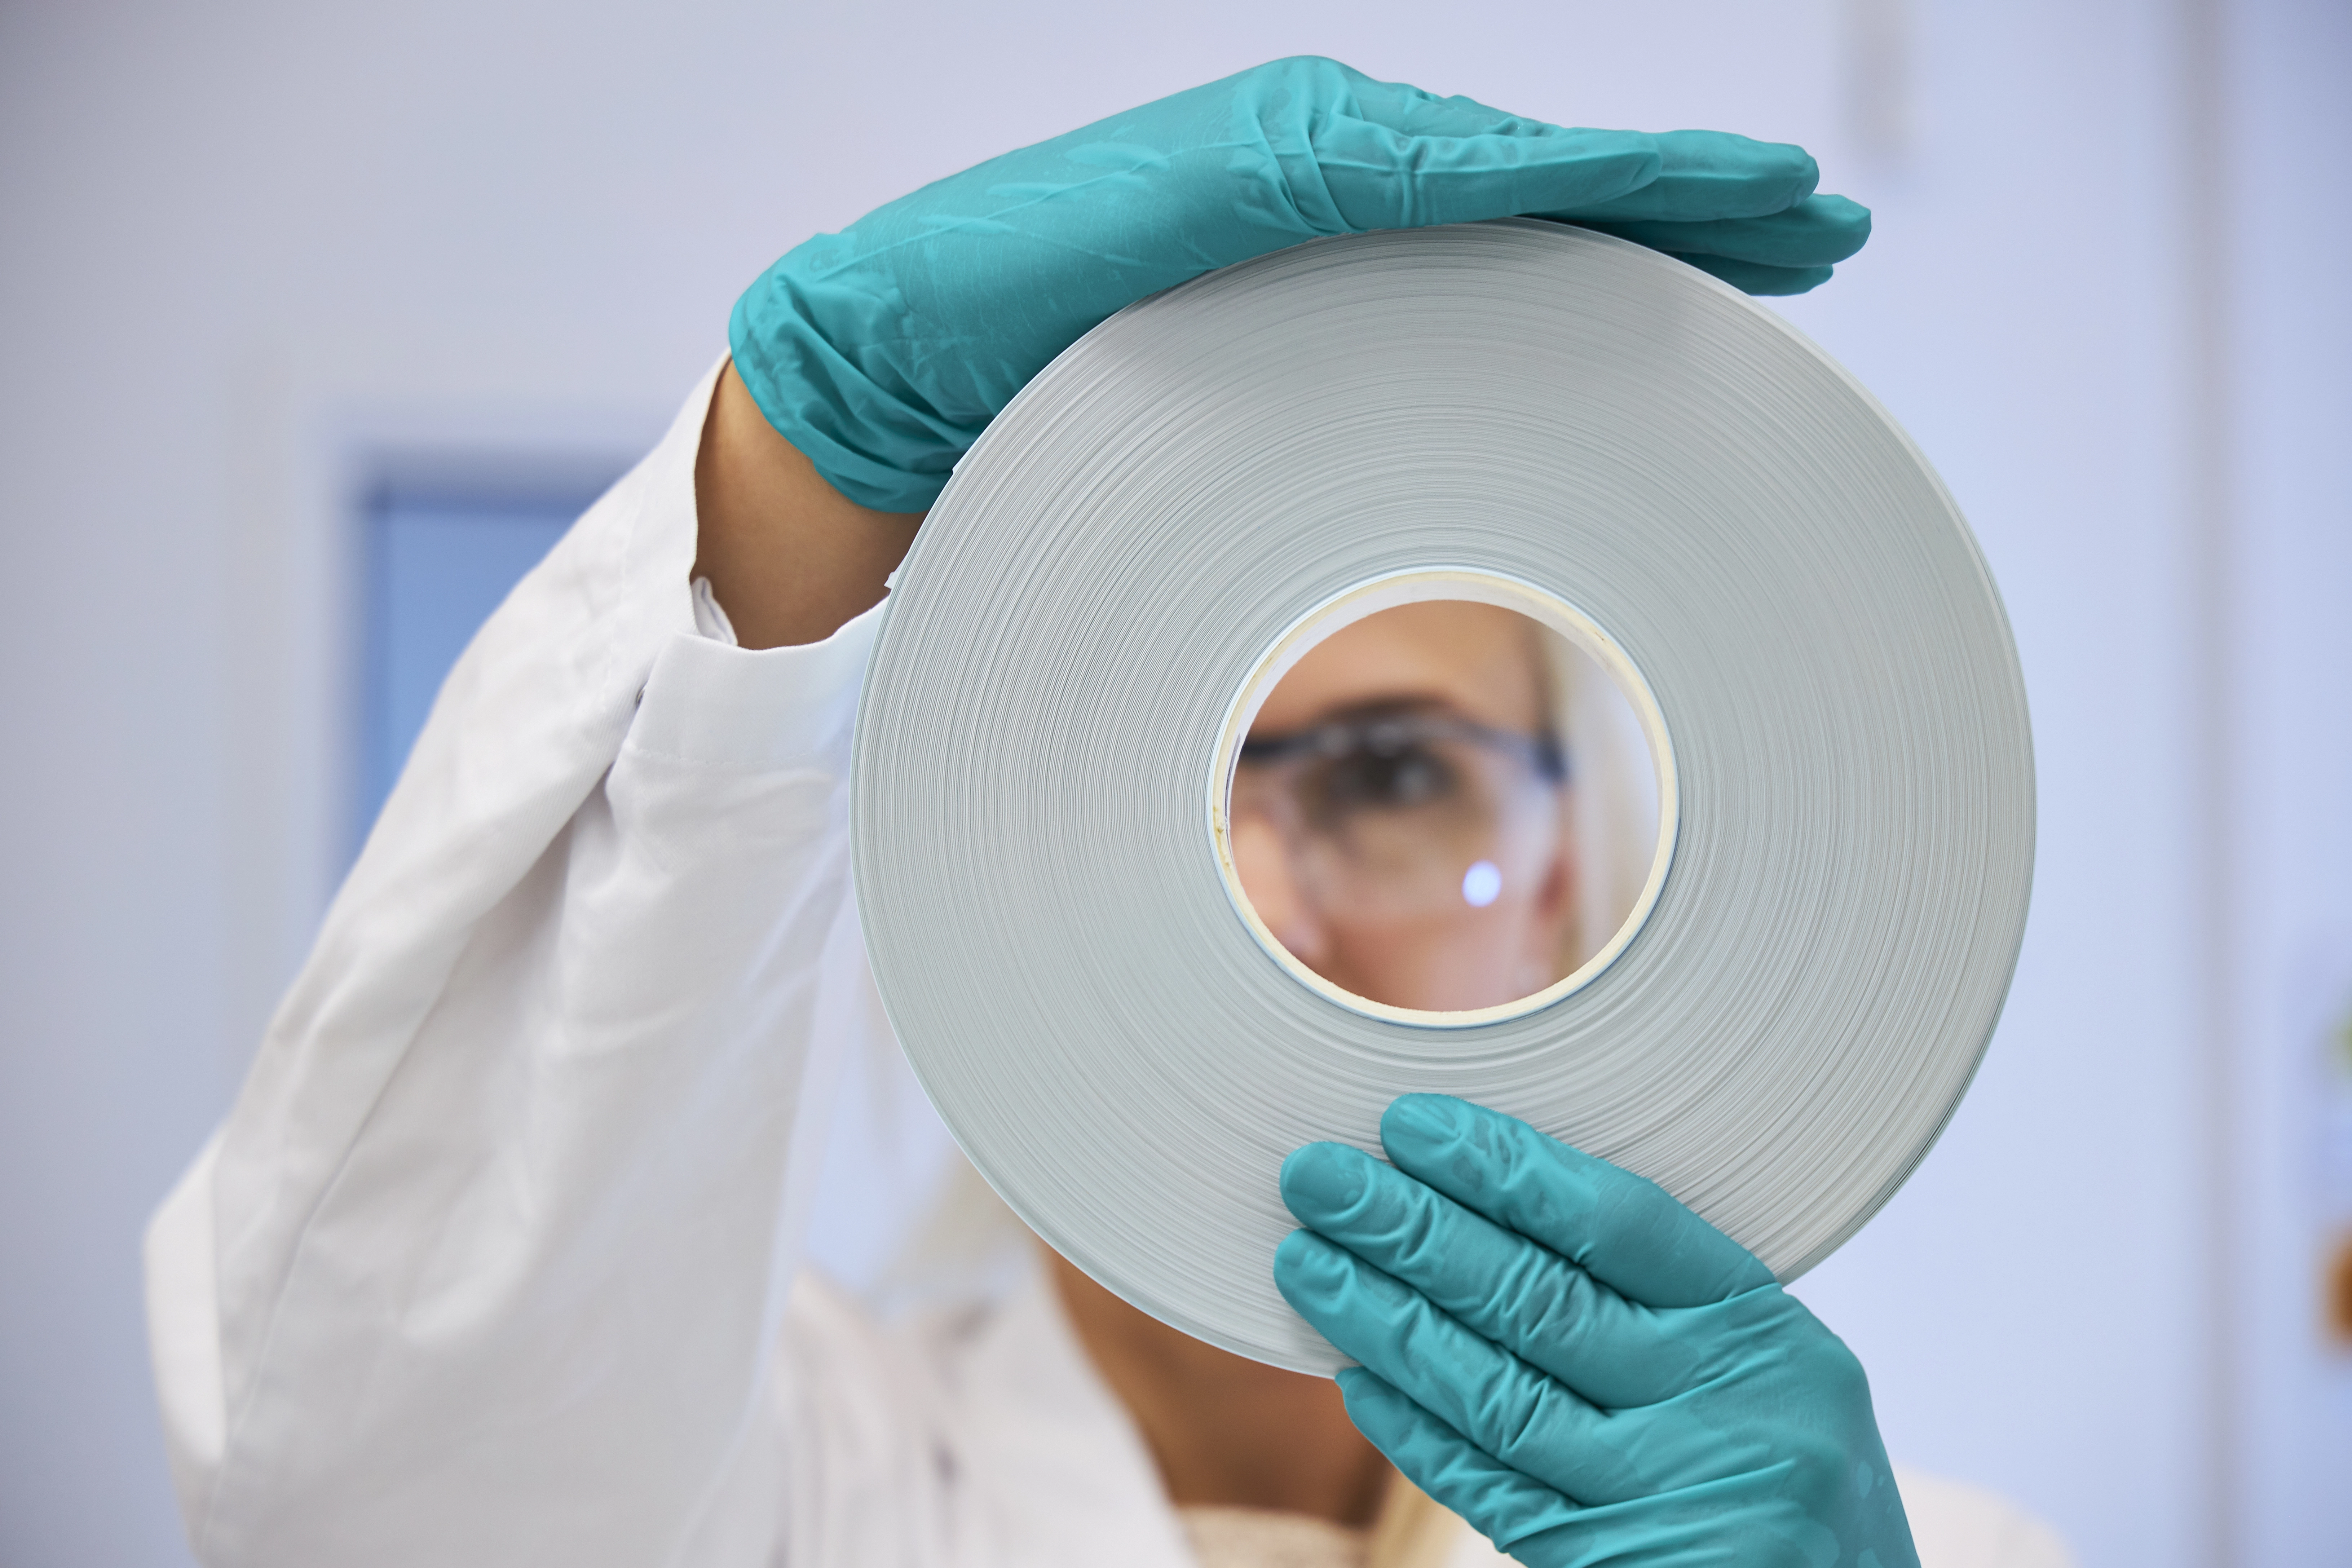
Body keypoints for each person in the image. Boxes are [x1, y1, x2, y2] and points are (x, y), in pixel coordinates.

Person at [143, 57, 2071, 1568]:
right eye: (1151, 790)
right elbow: (363, 1480)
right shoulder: (776, 1484)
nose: (1261, 899)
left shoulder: (1936, 1550)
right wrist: (786, 469)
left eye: (1394, 774)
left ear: (1576, 860)